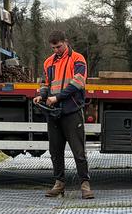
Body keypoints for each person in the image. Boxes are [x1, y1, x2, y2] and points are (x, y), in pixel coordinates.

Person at [36, 29, 92, 198]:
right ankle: (59, 184)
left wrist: (57, 98)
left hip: (71, 110)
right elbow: (46, 84)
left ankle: (85, 184)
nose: (56, 50)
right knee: (55, 151)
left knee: (78, 151)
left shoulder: (77, 59)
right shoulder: (48, 62)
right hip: (54, 112)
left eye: (58, 47)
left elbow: (78, 82)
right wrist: (41, 96)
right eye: (53, 48)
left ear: (65, 42)